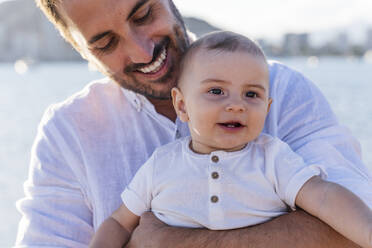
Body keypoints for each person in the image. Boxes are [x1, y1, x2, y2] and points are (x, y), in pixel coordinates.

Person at [16, 0, 371, 247]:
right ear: (82, 52)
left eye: (143, 14)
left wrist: (167, 243)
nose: (142, 52)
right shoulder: (67, 134)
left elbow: (353, 221)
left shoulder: (283, 94)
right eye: (107, 43)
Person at [89, 31, 372, 248]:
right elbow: (119, 222)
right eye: (216, 91)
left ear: (267, 108)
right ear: (183, 105)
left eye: (252, 94)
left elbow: (323, 197)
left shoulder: (273, 158)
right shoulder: (161, 165)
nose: (237, 105)